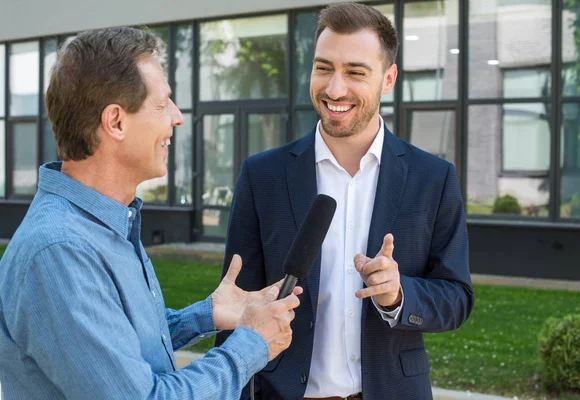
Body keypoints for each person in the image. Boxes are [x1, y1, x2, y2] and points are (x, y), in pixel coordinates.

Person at [0, 27, 302, 400]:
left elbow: (124, 348)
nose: (176, 118)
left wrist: (205, 315)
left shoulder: (108, 224)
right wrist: (252, 344)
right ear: (116, 122)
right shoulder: (61, 251)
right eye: (162, 105)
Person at [216, 3, 474, 399]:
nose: (335, 89)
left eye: (355, 72)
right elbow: (235, 303)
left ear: (388, 79)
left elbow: (456, 298)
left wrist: (398, 294)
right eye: (323, 68)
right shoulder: (261, 175)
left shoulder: (433, 178)